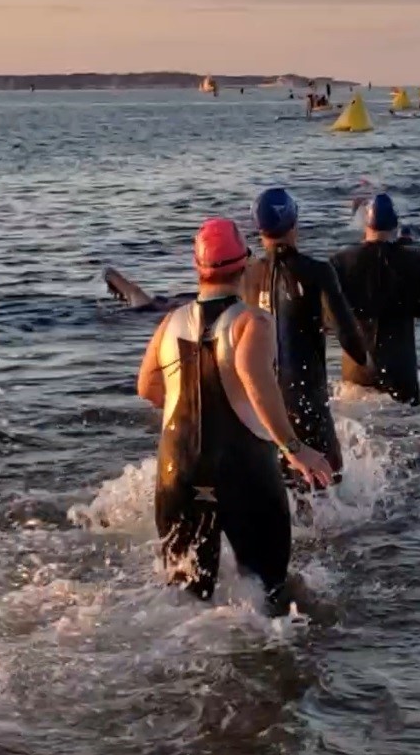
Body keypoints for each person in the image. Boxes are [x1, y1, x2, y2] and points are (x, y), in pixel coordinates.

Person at [135, 218, 334, 608]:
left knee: (185, 600)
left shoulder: (168, 323)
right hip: (243, 470)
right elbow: (255, 379)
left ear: (197, 267)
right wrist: (295, 447)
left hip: (179, 471)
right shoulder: (251, 321)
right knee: (268, 593)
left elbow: (147, 388)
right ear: (244, 263)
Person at [240, 188, 367, 486]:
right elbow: (353, 345)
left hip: (259, 404)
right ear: (294, 222)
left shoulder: (246, 275)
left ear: (259, 228)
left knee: (275, 488)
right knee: (328, 484)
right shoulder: (318, 272)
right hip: (306, 400)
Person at [329, 195, 420, 405]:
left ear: (366, 224)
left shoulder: (340, 261)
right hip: (401, 371)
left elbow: (327, 316)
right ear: (395, 225)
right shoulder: (413, 260)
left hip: (357, 371)